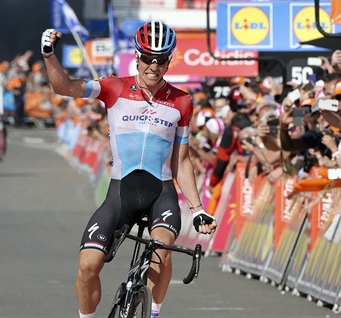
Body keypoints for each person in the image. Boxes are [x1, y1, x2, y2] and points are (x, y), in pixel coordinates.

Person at [40, 21, 217, 318]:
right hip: (120, 192)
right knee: (87, 266)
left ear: (169, 60)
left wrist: (197, 209)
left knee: (162, 249)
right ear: (137, 56)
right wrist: (48, 55)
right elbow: (64, 87)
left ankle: (153, 313)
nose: (153, 66)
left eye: (161, 60)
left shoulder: (182, 101)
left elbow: (181, 160)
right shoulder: (114, 87)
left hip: (161, 193)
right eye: (148, 58)